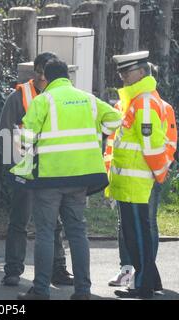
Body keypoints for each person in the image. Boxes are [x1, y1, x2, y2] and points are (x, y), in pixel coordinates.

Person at [11, 59, 121, 300]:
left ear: (46, 79)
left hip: (49, 178)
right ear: (67, 77)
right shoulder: (88, 99)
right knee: (78, 232)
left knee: (45, 233)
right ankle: (83, 291)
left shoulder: (43, 100)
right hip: (80, 177)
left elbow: (25, 139)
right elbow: (115, 120)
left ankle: (41, 291)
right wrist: (95, 133)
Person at [0, 52, 74, 287]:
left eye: (46, 73)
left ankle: (58, 270)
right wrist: (11, 170)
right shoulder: (19, 96)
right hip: (26, 169)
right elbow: (5, 134)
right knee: (20, 220)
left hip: (53, 169)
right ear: (35, 71)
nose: (42, 77)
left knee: (55, 223)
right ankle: (13, 270)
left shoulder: (61, 96)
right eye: (39, 72)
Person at [106, 62, 177, 289]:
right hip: (129, 182)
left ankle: (144, 285)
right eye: (121, 71)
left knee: (138, 235)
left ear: (142, 73)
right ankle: (150, 282)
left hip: (138, 182)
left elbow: (154, 145)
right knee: (136, 234)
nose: (123, 75)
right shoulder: (133, 101)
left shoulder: (144, 102)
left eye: (128, 70)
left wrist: (159, 173)